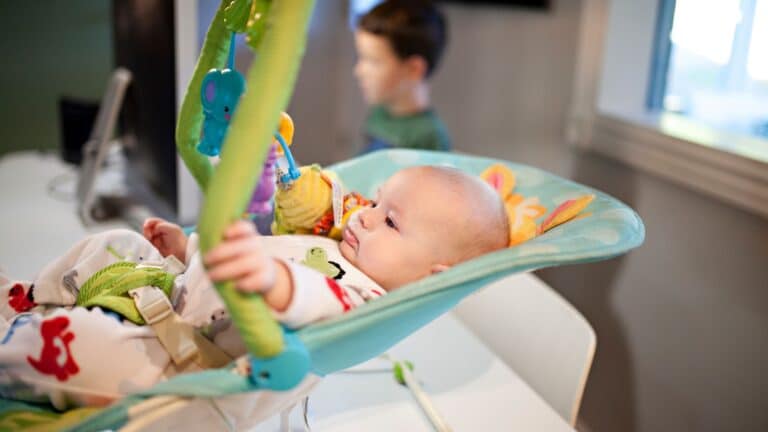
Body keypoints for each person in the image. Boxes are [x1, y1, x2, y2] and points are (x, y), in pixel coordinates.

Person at [0, 166, 508, 411]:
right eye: (374, 203)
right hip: (171, 293)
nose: (365, 217)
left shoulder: (366, 300)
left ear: (433, 277)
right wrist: (186, 251)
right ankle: (29, 298)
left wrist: (274, 282)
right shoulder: (336, 245)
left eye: (390, 222)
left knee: (82, 348)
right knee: (114, 242)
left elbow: (315, 303)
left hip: (180, 357)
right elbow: (252, 259)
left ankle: (15, 344)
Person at [354, 0, 451, 153]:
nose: (359, 71)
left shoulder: (429, 138)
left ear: (413, 69)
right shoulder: (379, 111)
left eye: (373, 61)